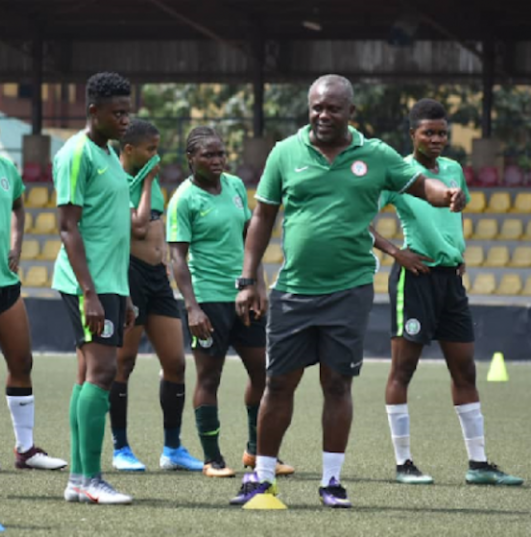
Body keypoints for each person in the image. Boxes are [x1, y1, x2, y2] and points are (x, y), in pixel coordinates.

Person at [231, 75, 466, 509]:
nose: (322, 115)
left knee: (337, 384)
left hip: (350, 291)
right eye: (316, 107)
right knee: (278, 384)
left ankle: (332, 482)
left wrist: (445, 194)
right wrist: (249, 280)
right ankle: (261, 479)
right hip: (294, 290)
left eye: (332, 108)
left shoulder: (376, 155)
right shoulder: (285, 152)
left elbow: (420, 184)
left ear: (350, 113)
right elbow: (262, 216)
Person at [371, 98, 523, 487]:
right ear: (412, 135)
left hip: (450, 282)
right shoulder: (399, 172)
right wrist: (397, 253)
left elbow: (455, 212)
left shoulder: (454, 170)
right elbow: (360, 221)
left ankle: (479, 464)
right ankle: (403, 463)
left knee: (465, 370)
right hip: (415, 279)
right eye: (428, 133)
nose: (437, 139)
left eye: (442, 132)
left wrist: (455, 253)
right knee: (403, 370)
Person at [0, 98, 66, 472]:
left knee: (22, 360)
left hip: (5, 280)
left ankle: (26, 449)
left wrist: (16, 245)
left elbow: (19, 206)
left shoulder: (5, 167)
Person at [167, 126, 274, 480]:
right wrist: (192, 307)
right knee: (209, 378)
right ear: (191, 158)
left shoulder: (235, 187)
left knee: (264, 372)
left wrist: (258, 287)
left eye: (221, 154)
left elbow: (250, 241)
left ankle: (256, 451)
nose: (217, 160)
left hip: (242, 296)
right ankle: (212, 459)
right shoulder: (184, 199)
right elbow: (178, 259)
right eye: (208, 155)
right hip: (208, 300)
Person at [54, 72, 136, 505]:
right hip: (88, 283)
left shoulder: (106, 153)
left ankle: (77, 479)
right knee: (104, 373)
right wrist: (90, 293)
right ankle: (89, 479)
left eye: (128, 111)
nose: (125, 119)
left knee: (89, 373)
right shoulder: (76, 154)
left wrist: (126, 294)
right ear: (93, 112)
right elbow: (67, 228)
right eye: (116, 112)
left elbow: (111, 228)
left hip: (109, 282)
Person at [108, 119, 202, 473]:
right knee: (124, 362)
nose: (156, 156)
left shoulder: (156, 184)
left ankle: (173, 448)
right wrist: (147, 181)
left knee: (176, 363)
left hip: (157, 279)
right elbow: (139, 226)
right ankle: (121, 447)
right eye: (150, 149)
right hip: (128, 274)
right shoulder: (117, 181)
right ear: (129, 150)